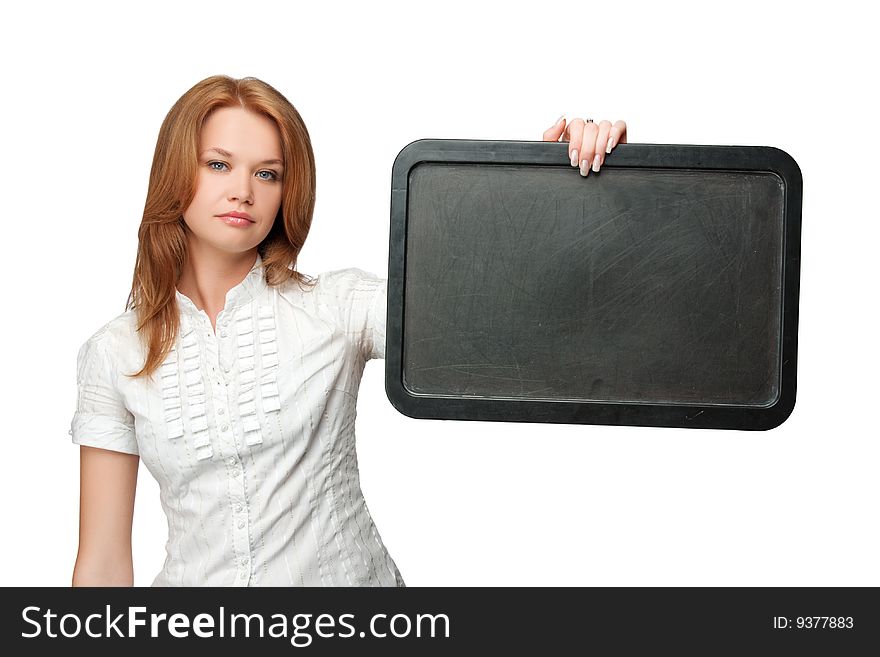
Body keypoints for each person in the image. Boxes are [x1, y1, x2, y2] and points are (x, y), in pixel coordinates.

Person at [69, 74, 627, 587]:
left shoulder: (338, 307)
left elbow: (495, 321)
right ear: (175, 171)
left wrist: (556, 187)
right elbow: (102, 562)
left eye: (267, 173)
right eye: (219, 164)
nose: (244, 190)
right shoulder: (114, 354)